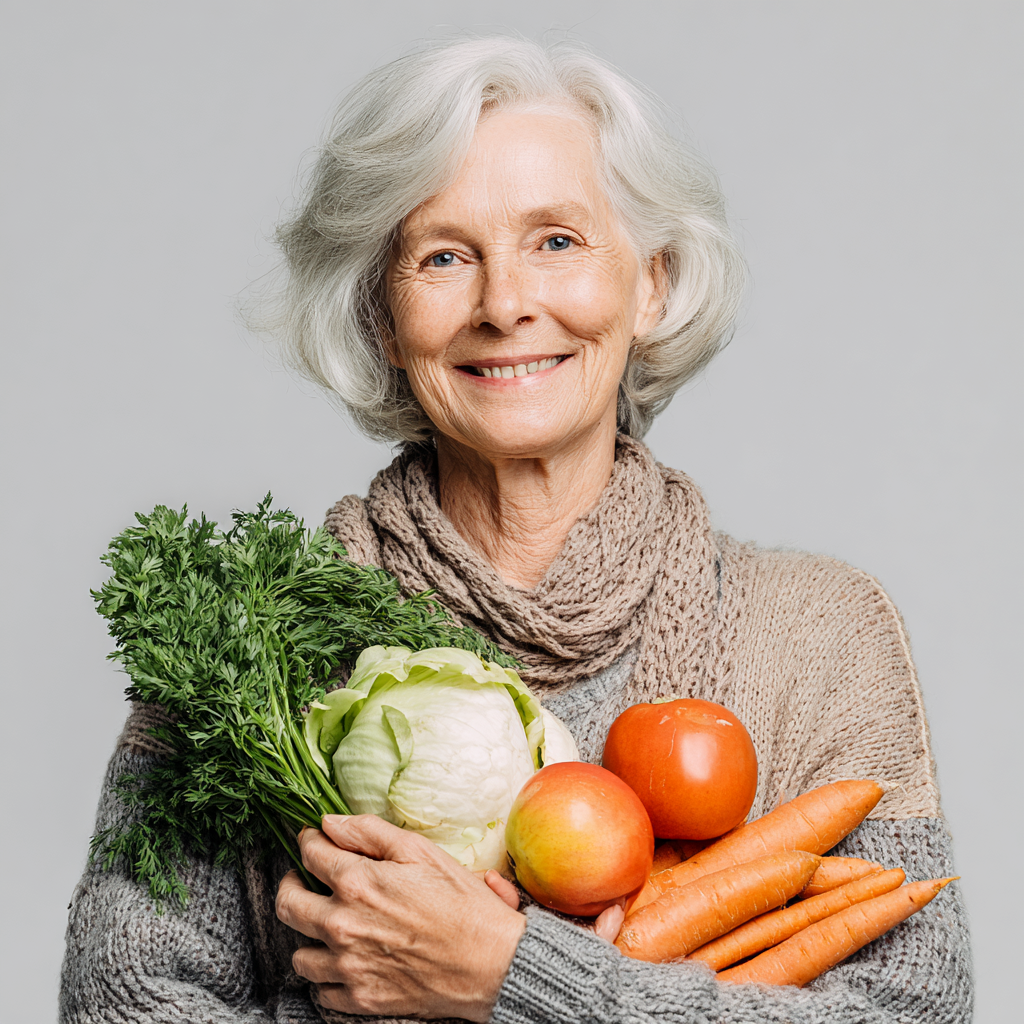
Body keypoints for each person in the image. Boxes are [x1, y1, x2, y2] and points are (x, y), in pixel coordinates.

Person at [61, 36, 972, 1024]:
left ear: (651, 284)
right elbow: (121, 1004)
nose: (504, 305)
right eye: (444, 256)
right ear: (379, 316)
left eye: (556, 241)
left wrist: (510, 979)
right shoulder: (238, 642)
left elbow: (908, 1007)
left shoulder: (821, 632)